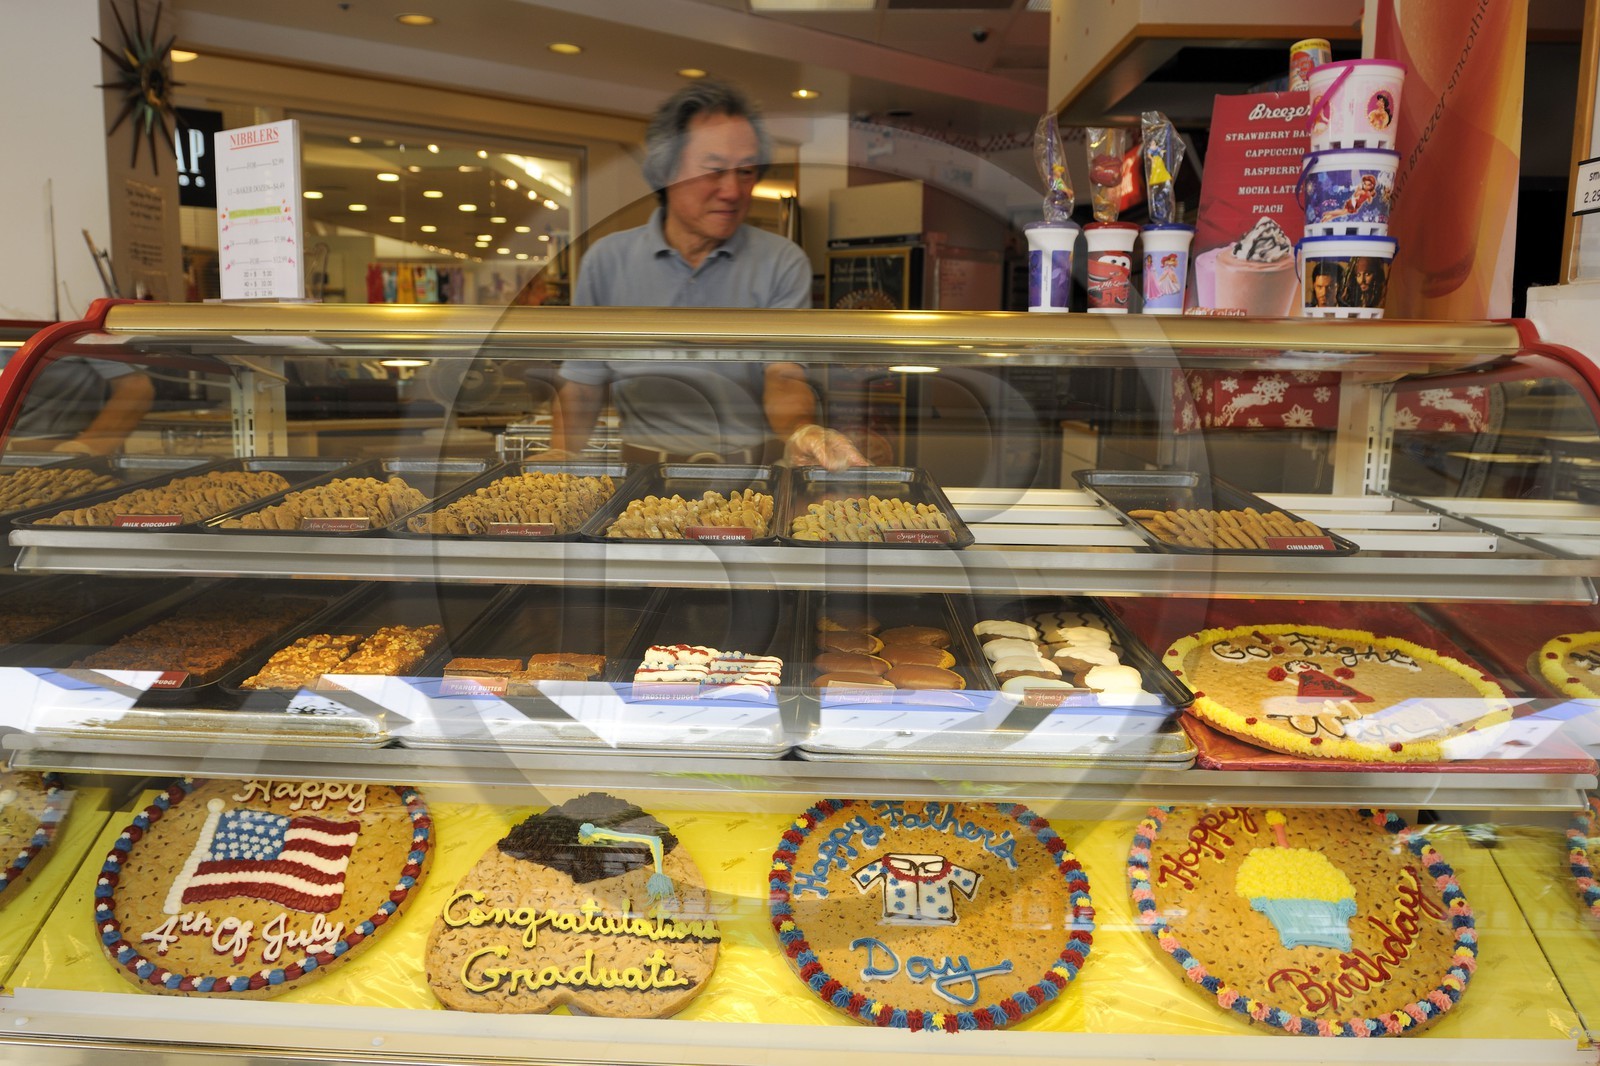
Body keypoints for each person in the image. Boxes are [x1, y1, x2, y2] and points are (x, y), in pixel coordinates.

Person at [547, 80, 870, 470]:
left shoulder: (782, 262)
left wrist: (803, 430)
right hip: (643, 482)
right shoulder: (607, 260)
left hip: (750, 484)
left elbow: (783, 377)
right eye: (714, 170)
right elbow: (582, 385)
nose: (733, 191)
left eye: (747, 171)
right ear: (666, 171)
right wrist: (559, 457)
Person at [2, 355, 154, 455]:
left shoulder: (73, 307)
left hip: (53, 454)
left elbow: (136, 388)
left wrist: (82, 449)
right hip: (9, 456)